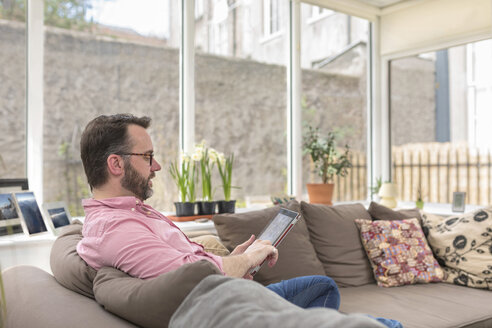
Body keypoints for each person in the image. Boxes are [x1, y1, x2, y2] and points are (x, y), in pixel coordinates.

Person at [76, 114, 401, 327]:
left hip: (226, 288)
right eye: (147, 157)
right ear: (116, 164)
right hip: (220, 305)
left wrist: (234, 260)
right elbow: (190, 277)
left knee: (322, 286)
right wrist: (249, 258)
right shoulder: (116, 229)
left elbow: (187, 265)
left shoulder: (134, 212)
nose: (157, 165)